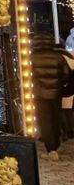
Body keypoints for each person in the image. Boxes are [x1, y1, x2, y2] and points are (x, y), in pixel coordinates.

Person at [31, 32, 71, 161]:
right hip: (56, 93)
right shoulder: (58, 57)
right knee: (55, 118)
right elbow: (67, 74)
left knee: (44, 121)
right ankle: (56, 144)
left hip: (38, 93)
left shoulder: (31, 57)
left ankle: (51, 149)